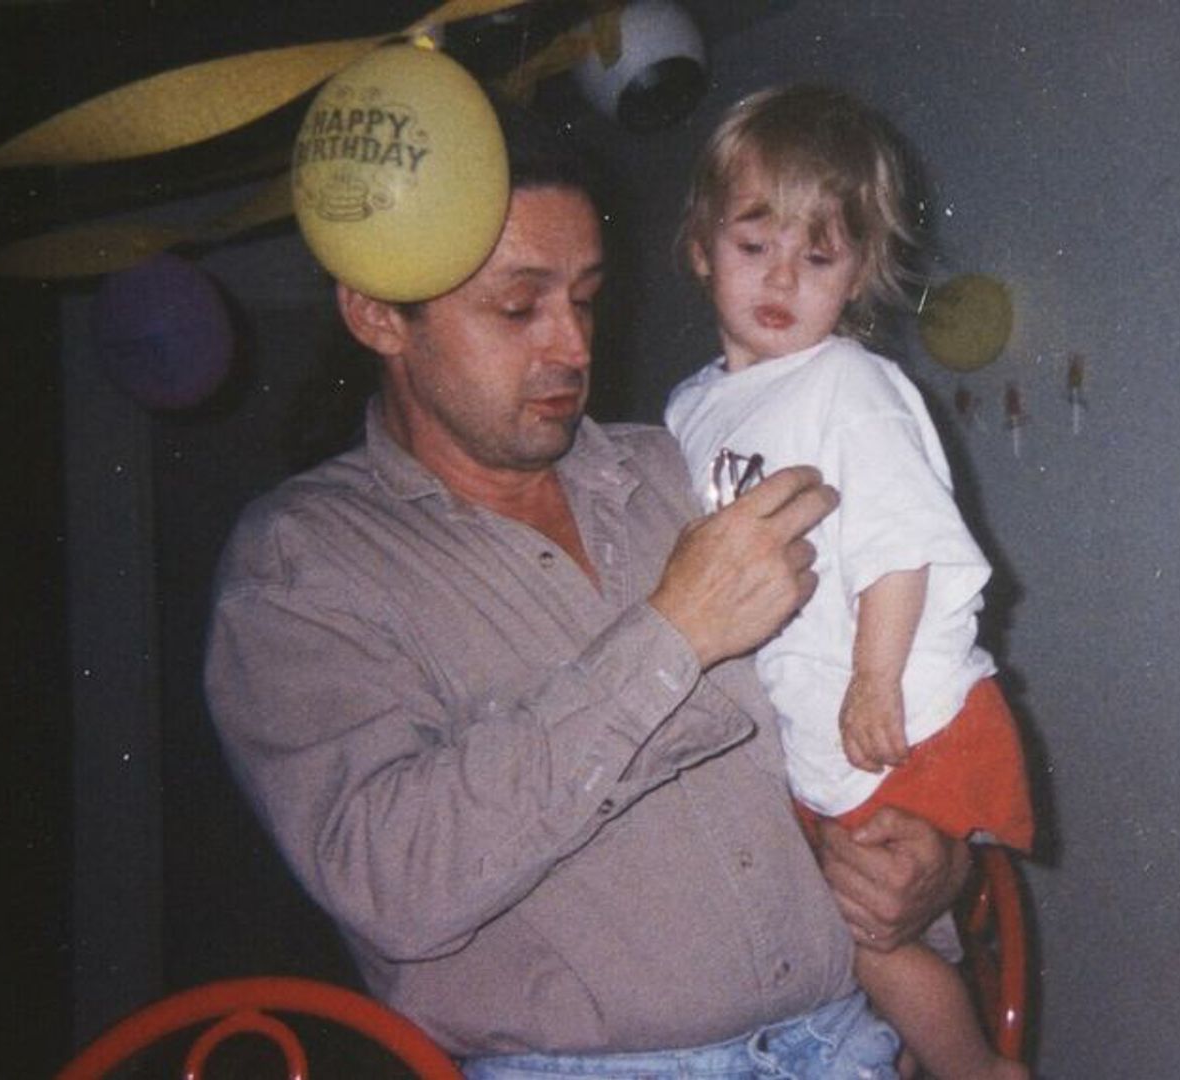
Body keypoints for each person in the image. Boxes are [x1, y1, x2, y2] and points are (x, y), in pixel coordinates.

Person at [204, 105, 969, 1078]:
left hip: (845, 1041)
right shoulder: (306, 560)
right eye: (519, 307)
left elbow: (855, 689)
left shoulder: (683, 463)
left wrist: (938, 862)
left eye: (586, 299)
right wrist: (672, 634)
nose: (571, 347)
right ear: (378, 314)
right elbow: (388, 877)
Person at [665, 85, 1036, 1080]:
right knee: (855, 949)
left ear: (860, 273)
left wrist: (873, 679)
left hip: (901, 715)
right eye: (756, 247)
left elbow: (902, 546)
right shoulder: (692, 408)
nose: (783, 276)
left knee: (871, 939)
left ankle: (979, 1070)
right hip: (814, 732)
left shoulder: (848, 386)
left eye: (818, 256)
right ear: (701, 245)